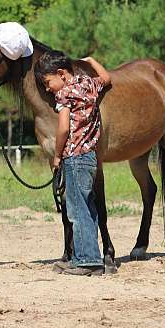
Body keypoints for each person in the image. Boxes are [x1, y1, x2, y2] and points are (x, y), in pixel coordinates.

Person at [34, 50, 111, 276]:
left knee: (77, 211)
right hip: (90, 157)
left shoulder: (64, 95)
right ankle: (85, 257)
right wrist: (92, 61)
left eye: (48, 82)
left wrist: (57, 155)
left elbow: (64, 128)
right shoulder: (89, 85)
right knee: (87, 208)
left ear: (61, 74)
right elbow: (106, 78)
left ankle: (88, 261)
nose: (48, 89)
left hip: (74, 157)